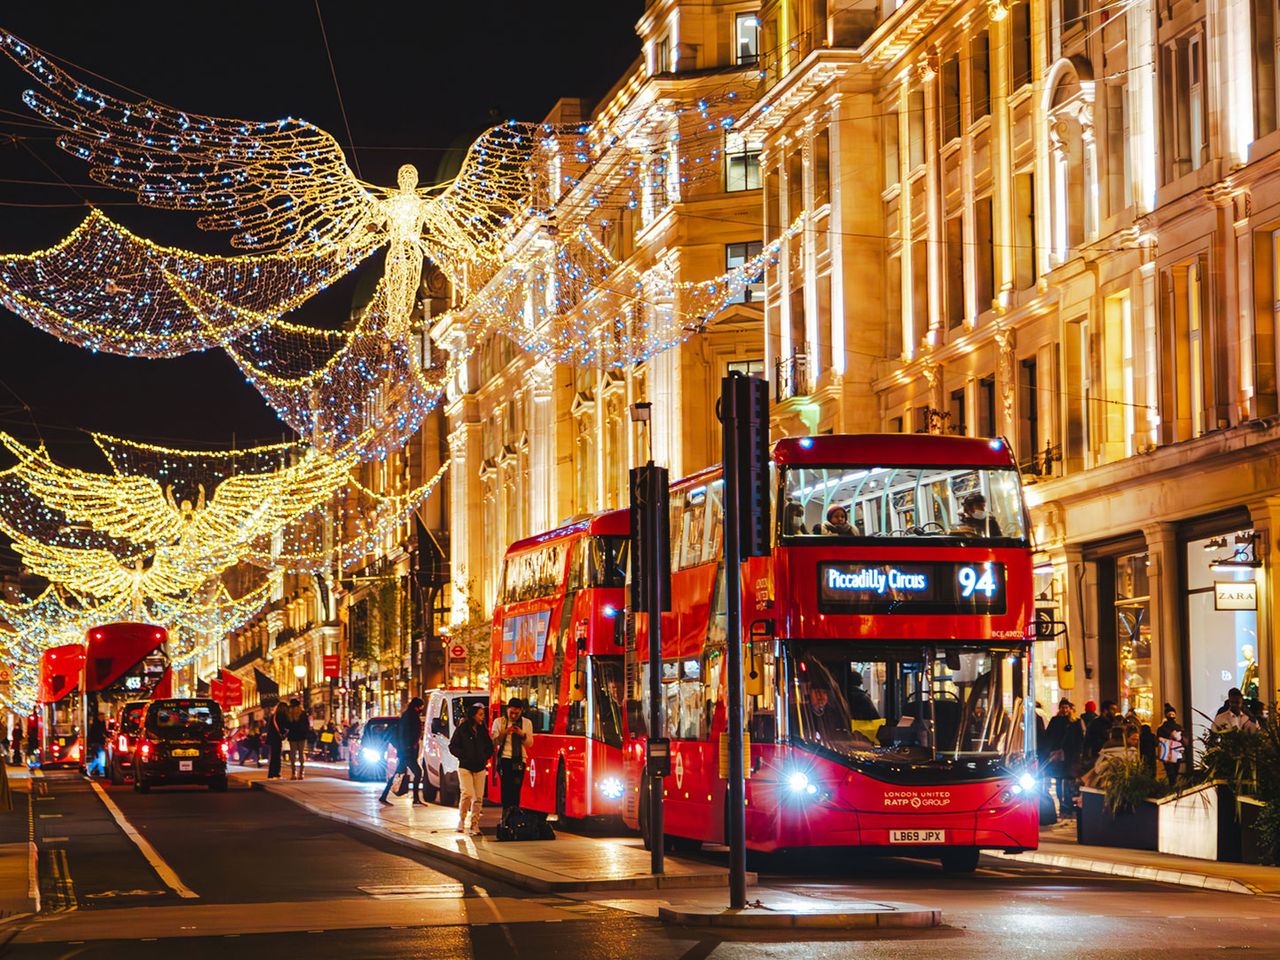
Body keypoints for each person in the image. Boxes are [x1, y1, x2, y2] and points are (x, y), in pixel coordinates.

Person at [449, 703, 493, 835]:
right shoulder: (462, 729)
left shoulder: (483, 731)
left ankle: (474, 824)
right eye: (480, 714)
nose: (482, 717)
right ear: (473, 715)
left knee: (478, 798)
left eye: (483, 714)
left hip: (480, 767)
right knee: (467, 793)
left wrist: (484, 757)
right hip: (465, 767)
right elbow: (452, 746)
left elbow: (489, 747)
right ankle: (461, 820)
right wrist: (464, 755)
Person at [491, 697, 535, 819]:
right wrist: (505, 732)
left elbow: (530, 743)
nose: (514, 715)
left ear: (521, 711)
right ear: (507, 709)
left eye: (517, 713)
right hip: (505, 758)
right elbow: (494, 741)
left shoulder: (526, 723)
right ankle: (506, 815)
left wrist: (522, 734)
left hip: (520, 759)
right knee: (506, 788)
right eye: (512, 713)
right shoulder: (499, 722)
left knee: (516, 788)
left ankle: (514, 815)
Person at [1042, 698, 1084, 816]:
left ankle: (1069, 806)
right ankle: (1062, 806)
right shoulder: (1055, 721)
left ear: (1070, 709)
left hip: (1071, 756)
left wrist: (1078, 753)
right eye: (1063, 707)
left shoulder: (1076, 722)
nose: (1065, 710)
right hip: (1058, 756)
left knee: (1070, 782)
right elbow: (1049, 737)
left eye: (1067, 707)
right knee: (1059, 781)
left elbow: (1080, 739)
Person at [380, 697, 426, 805]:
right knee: (418, 772)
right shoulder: (410, 716)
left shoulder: (408, 715)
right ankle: (415, 798)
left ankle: (384, 795)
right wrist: (408, 747)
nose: (421, 709)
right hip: (407, 751)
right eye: (421, 707)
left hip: (405, 751)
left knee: (398, 773)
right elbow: (405, 734)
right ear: (417, 706)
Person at [1155, 703, 1184, 783]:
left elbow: (1184, 739)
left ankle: (1173, 788)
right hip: (1168, 752)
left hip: (1176, 752)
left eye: (1173, 714)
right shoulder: (1162, 728)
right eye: (1169, 714)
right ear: (1166, 715)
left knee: (1175, 772)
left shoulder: (1178, 727)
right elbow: (1159, 739)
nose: (1171, 716)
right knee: (1171, 773)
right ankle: (1173, 788)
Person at [284, 699, 310, 780]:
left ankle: (293, 772)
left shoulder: (289, 715)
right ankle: (301, 772)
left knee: (293, 753)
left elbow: (287, 726)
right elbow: (307, 725)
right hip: (302, 735)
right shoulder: (303, 714)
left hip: (293, 735)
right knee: (301, 753)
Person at [266, 702, 286, 779]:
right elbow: (282, 727)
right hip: (277, 738)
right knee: (277, 756)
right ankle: (276, 773)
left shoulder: (273, 716)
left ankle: (271, 773)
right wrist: (284, 733)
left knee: (273, 756)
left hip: (271, 738)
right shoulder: (281, 716)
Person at [87, 712, 108, 778]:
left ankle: (100, 771)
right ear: (98, 717)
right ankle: (93, 768)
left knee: (99, 757)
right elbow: (98, 734)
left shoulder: (100, 723)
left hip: (99, 742)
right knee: (102, 757)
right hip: (97, 742)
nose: (103, 718)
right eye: (101, 717)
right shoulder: (96, 724)